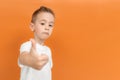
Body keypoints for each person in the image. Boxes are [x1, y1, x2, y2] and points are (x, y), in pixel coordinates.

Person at [18, 6, 55, 80]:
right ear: (32, 26)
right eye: (42, 23)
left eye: (50, 25)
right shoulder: (27, 45)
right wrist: (31, 60)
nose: (47, 27)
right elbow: (22, 58)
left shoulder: (48, 50)